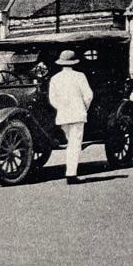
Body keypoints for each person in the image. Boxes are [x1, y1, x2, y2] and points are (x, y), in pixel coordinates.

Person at [48, 49, 94, 185]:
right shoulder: (80, 76)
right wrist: (84, 107)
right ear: (74, 62)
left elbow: (53, 99)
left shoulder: (55, 78)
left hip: (63, 115)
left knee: (70, 143)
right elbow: (88, 95)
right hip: (78, 113)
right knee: (75, 144)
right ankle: (71, 174)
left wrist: (61, 108)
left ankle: (71, 172)